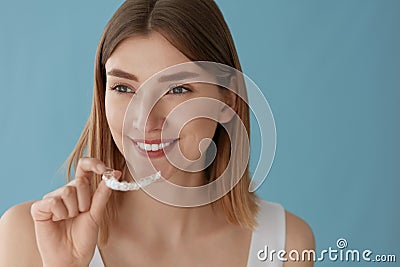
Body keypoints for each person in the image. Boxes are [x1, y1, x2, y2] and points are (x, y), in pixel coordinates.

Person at [0, 0, 314, 266]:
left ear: (226, 100)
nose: (145, 119)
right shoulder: (28, 237)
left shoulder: (286, 245)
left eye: (177, 89)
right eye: (123, 87)